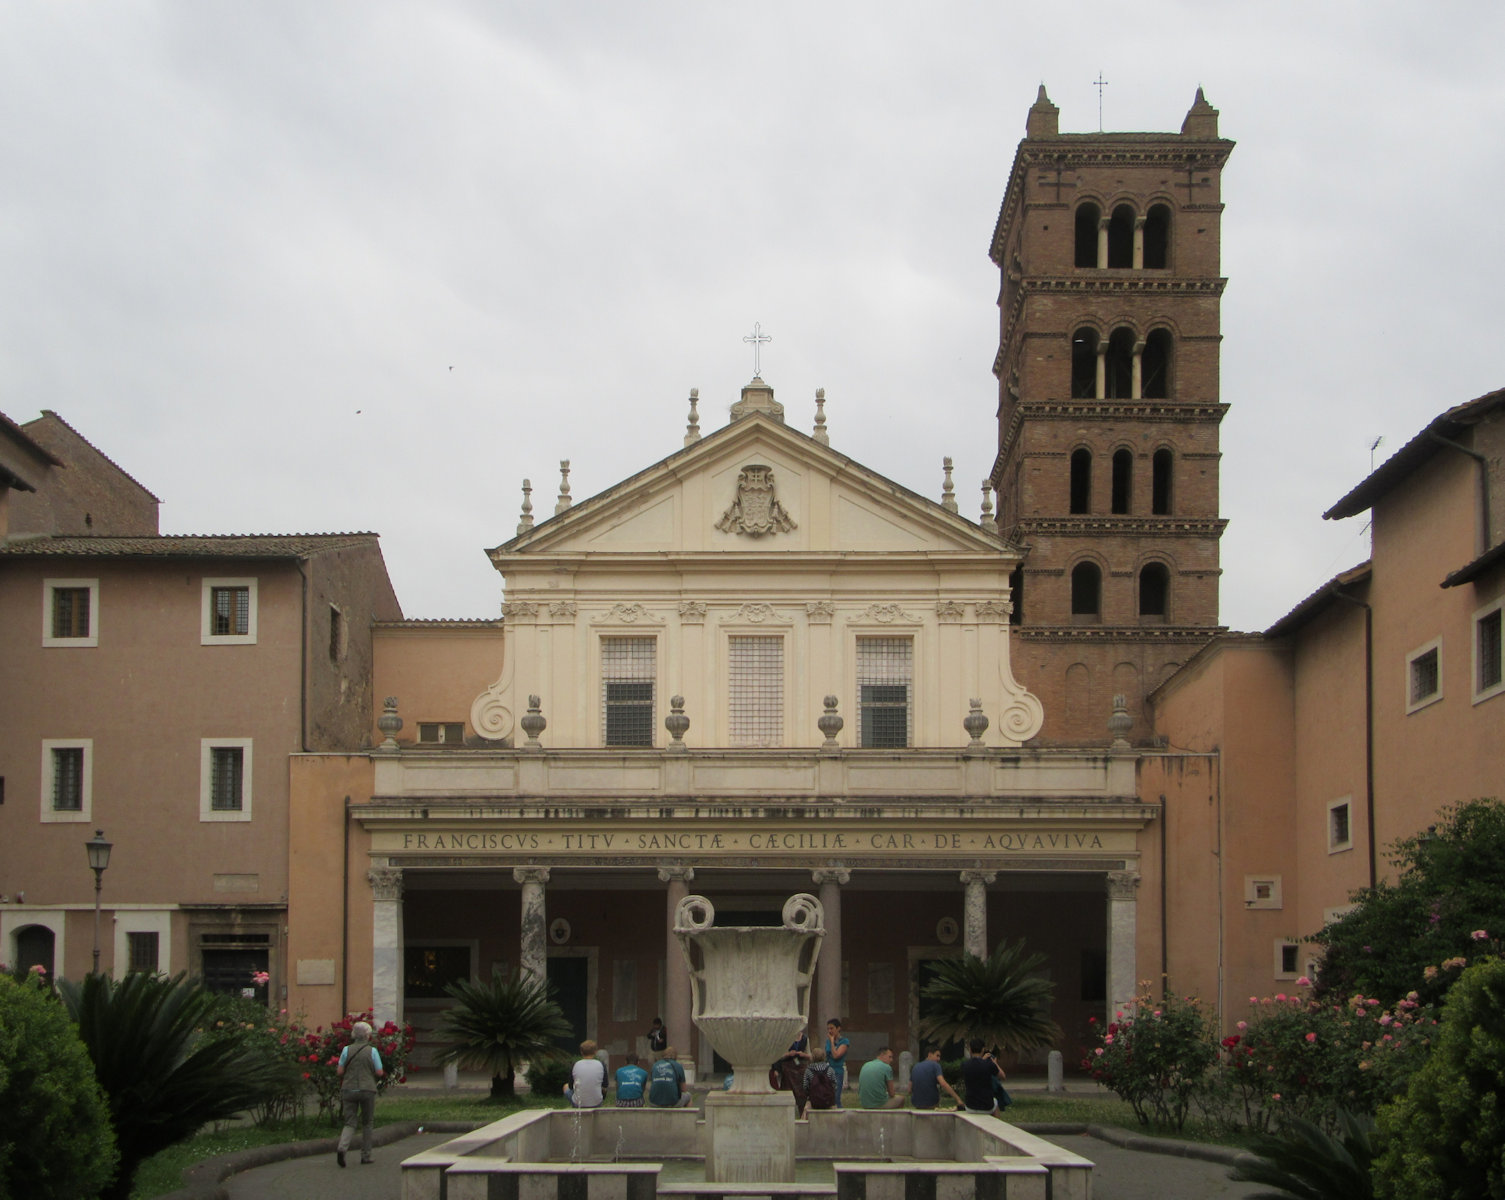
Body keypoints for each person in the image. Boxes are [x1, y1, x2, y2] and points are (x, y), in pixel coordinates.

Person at [335, 1020, 385, 1167]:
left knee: (349, 1122)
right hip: (367, 1089)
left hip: (348, 1089)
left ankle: (342, 1148)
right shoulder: (372, 1051)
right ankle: (366, 1155)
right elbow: (379, 1072)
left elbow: (339, 1071)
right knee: (367, 1123)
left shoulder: (346, 1050)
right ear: (368, 1035)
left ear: (353, 1035)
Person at [960, 1038, 1007, 1113]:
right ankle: (995, 1123)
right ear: (983, 1050)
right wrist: (994, 1063)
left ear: (970, 1050)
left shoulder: (964, 1065)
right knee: (995, 1102)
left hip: (970, 1106)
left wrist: (982, 1060)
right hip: (987, 1106)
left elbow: (976, 1067)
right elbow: (1002, 1076)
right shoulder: (989, 1064)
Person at [564, 1039, 606, 1108]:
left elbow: (571, 1086)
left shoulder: (575, 1064)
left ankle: (576, 1108)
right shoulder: (601, 1064)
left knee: (565, 1087)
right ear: (595, 1052)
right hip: (597, 1103)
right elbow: (605, 1084)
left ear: (581, 1052)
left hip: (579, 1103)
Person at [801, 1045, 838, 1112]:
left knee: (805, 1113)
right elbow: (834, 1085)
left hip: (813, 1101)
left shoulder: (808, 1070)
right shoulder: (830, 1070)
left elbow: (805, 1086)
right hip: (828, 1101)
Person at [823, 1018, 850, 1108]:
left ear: (838, 1028)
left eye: (832, 1028)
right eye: (828, 1029)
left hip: (837, 1071)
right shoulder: (828, 1041)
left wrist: (831, 1042)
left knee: (836, 1097)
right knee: (828, 1097)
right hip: (828, 1070)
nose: (830, 1031)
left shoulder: (844, 1042)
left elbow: (836, 1055)